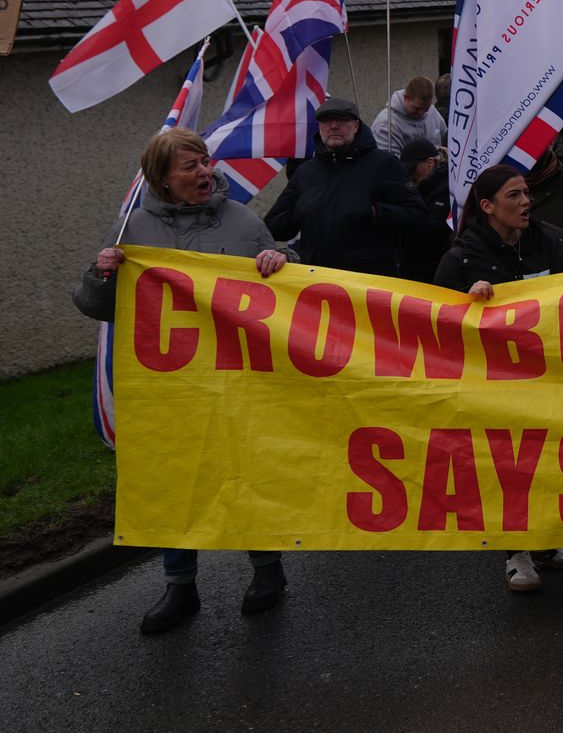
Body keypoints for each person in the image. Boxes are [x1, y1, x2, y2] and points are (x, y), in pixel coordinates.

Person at [76, 128, 294, 635]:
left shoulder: (242, 221)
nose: (203, 173)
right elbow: (96, 307)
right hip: (168, 386)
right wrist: (101, 273)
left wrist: (281, 264)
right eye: (189, 166)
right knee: (174, 480)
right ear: (162, 178)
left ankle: (268, 572)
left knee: (242, 472)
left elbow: (285, 296)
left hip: (233, 377)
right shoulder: (133, 228)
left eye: (204, 162)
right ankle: (180, 585)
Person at [433, 164, 563, 593]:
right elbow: (439, 324)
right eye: (514, 196)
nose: (526, 202)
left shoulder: (551, 241)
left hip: (550, 375)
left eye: (525, 194)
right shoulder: (461, 257)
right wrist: (471, 303)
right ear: (488, 207)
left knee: (552, 458)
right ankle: (515, 551)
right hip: (495, 384)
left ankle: (549, 541)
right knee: (510, 466)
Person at [265, 97, 427, 275]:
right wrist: (300, 212)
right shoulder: (306, 172)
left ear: (356, 126)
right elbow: (272, 227)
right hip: (313, 282)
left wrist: (374, 211)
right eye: (326, 120)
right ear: (319, 127)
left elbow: (417, 216)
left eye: (341, 120)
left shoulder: (383, 164)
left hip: (364, 283)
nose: (333, 126)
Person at [397, 139, 453, 282]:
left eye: (412, 168)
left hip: (434, 267)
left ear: (430, 163)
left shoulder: (447, 188)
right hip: (410, 267)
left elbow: (434, 227)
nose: (410, 175)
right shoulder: (417, 187)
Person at [371, 74, 446, 153]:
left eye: (426, 109)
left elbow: (445, 137)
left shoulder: (432, 112)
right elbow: (388, 163)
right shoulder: (386, 125)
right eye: (417, 108)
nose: (421, 113)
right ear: (406, 97)